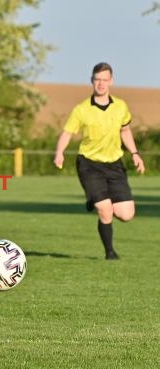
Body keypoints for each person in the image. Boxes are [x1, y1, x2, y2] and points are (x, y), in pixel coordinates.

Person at [54, 62, 145, 260]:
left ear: (111, 81)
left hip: (115, 164)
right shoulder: (81, 109)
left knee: (126, 215)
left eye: (105, 80)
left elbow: (125, 130)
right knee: (104, 209)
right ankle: (110, 252)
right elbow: (67, 133)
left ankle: (93, 198)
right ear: (92, 81)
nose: (101, 84)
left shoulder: (121, 106)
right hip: (90, 164)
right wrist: (59, 152)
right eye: (97, 80)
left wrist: (135, 153)